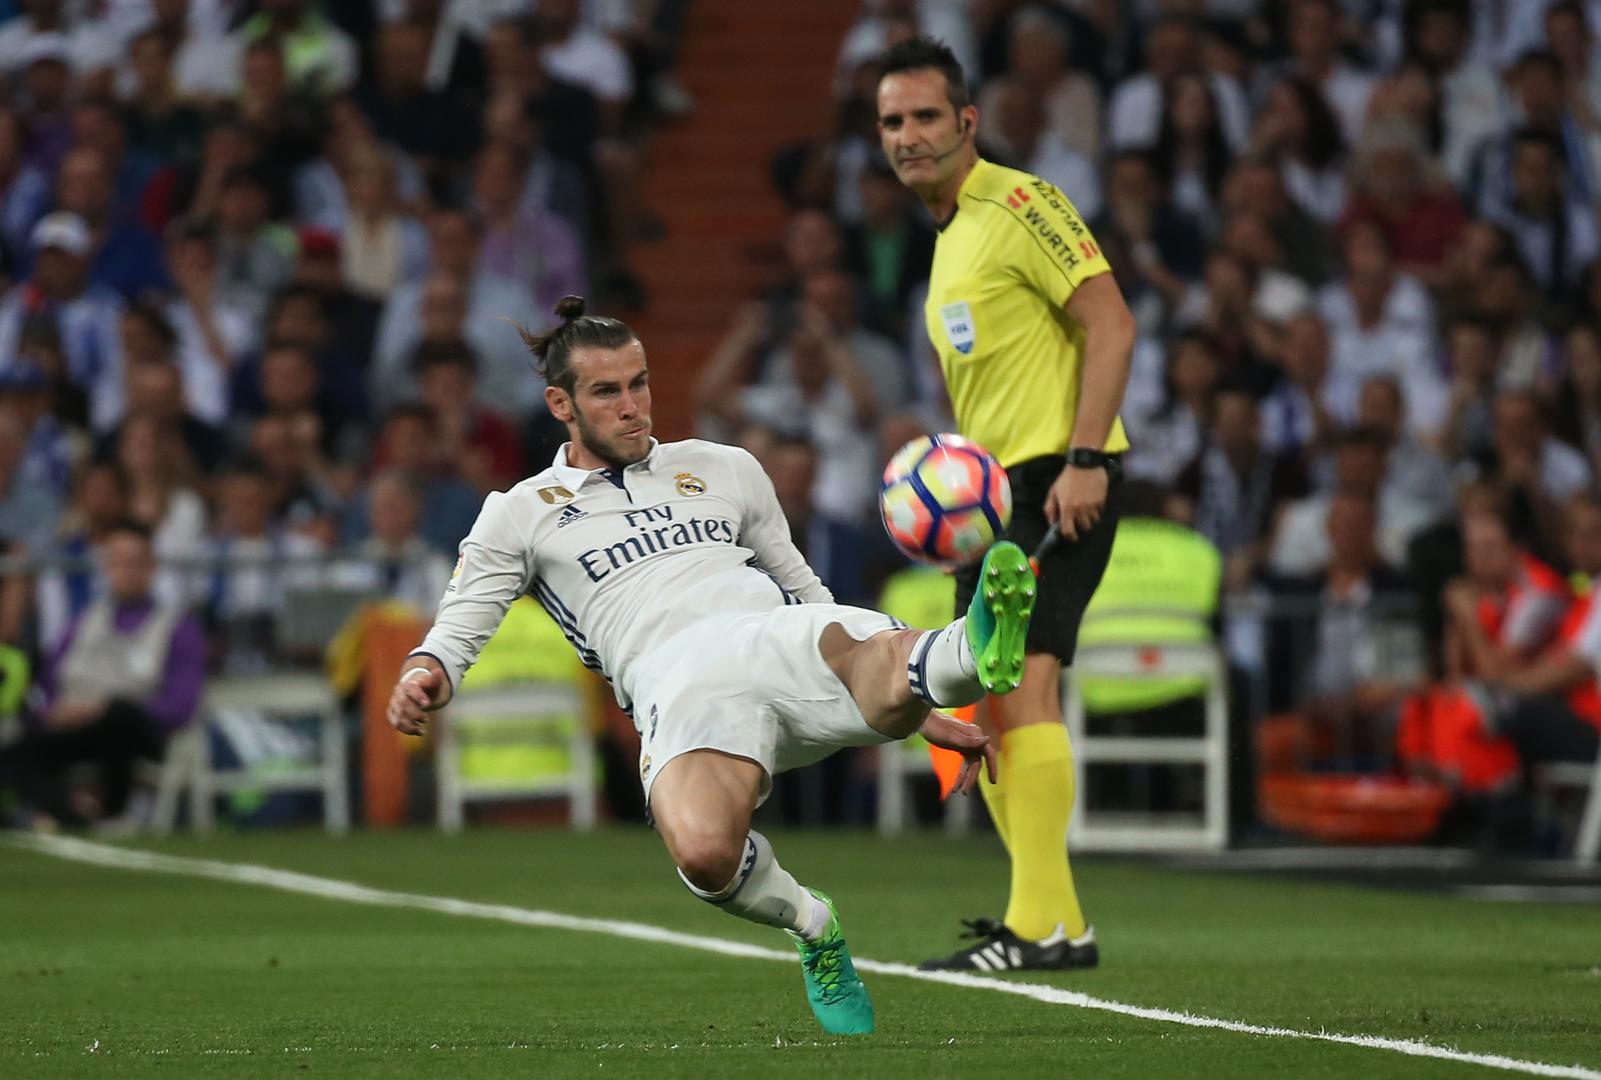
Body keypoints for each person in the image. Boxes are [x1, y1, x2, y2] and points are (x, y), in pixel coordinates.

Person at [387, 297, 1033, 1036]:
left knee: (866, 643)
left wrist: (923, 714)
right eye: (607, 391)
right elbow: (461, 621)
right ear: (560, 405)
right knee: (703, 855)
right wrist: (424, 671)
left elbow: (805, 593)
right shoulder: (520, 511)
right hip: (675, 680)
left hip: (772, 633)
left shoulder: (725, 467)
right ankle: (814, 924)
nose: (632, 407)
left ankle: (970, 648)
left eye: (639, 383)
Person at [876, 37, 1135, 971]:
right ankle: (1055, 926)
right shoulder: (948, 239)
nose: (907, 135)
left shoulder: (1021, 203)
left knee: (1023, 687)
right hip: (991, 505)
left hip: (1056, 480)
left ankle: (1036, 928)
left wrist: (1085, 459)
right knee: (977, 706)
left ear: (966, 121)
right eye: (891, 121)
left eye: (924, 117)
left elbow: (1111, 322)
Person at [0, 520, 205, 829]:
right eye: (118, 562)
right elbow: (46, 686)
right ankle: (73, 813)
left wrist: (102, 707)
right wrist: (55, 711)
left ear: (152, 568)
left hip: (137, 731)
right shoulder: (82, 623)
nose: (127, 571)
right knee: (13, 752)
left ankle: (114, 811)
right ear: (106, 567)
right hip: (77, 727)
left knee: (119, 717)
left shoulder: (177, 627)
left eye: (135, 562)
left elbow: (181, 706)